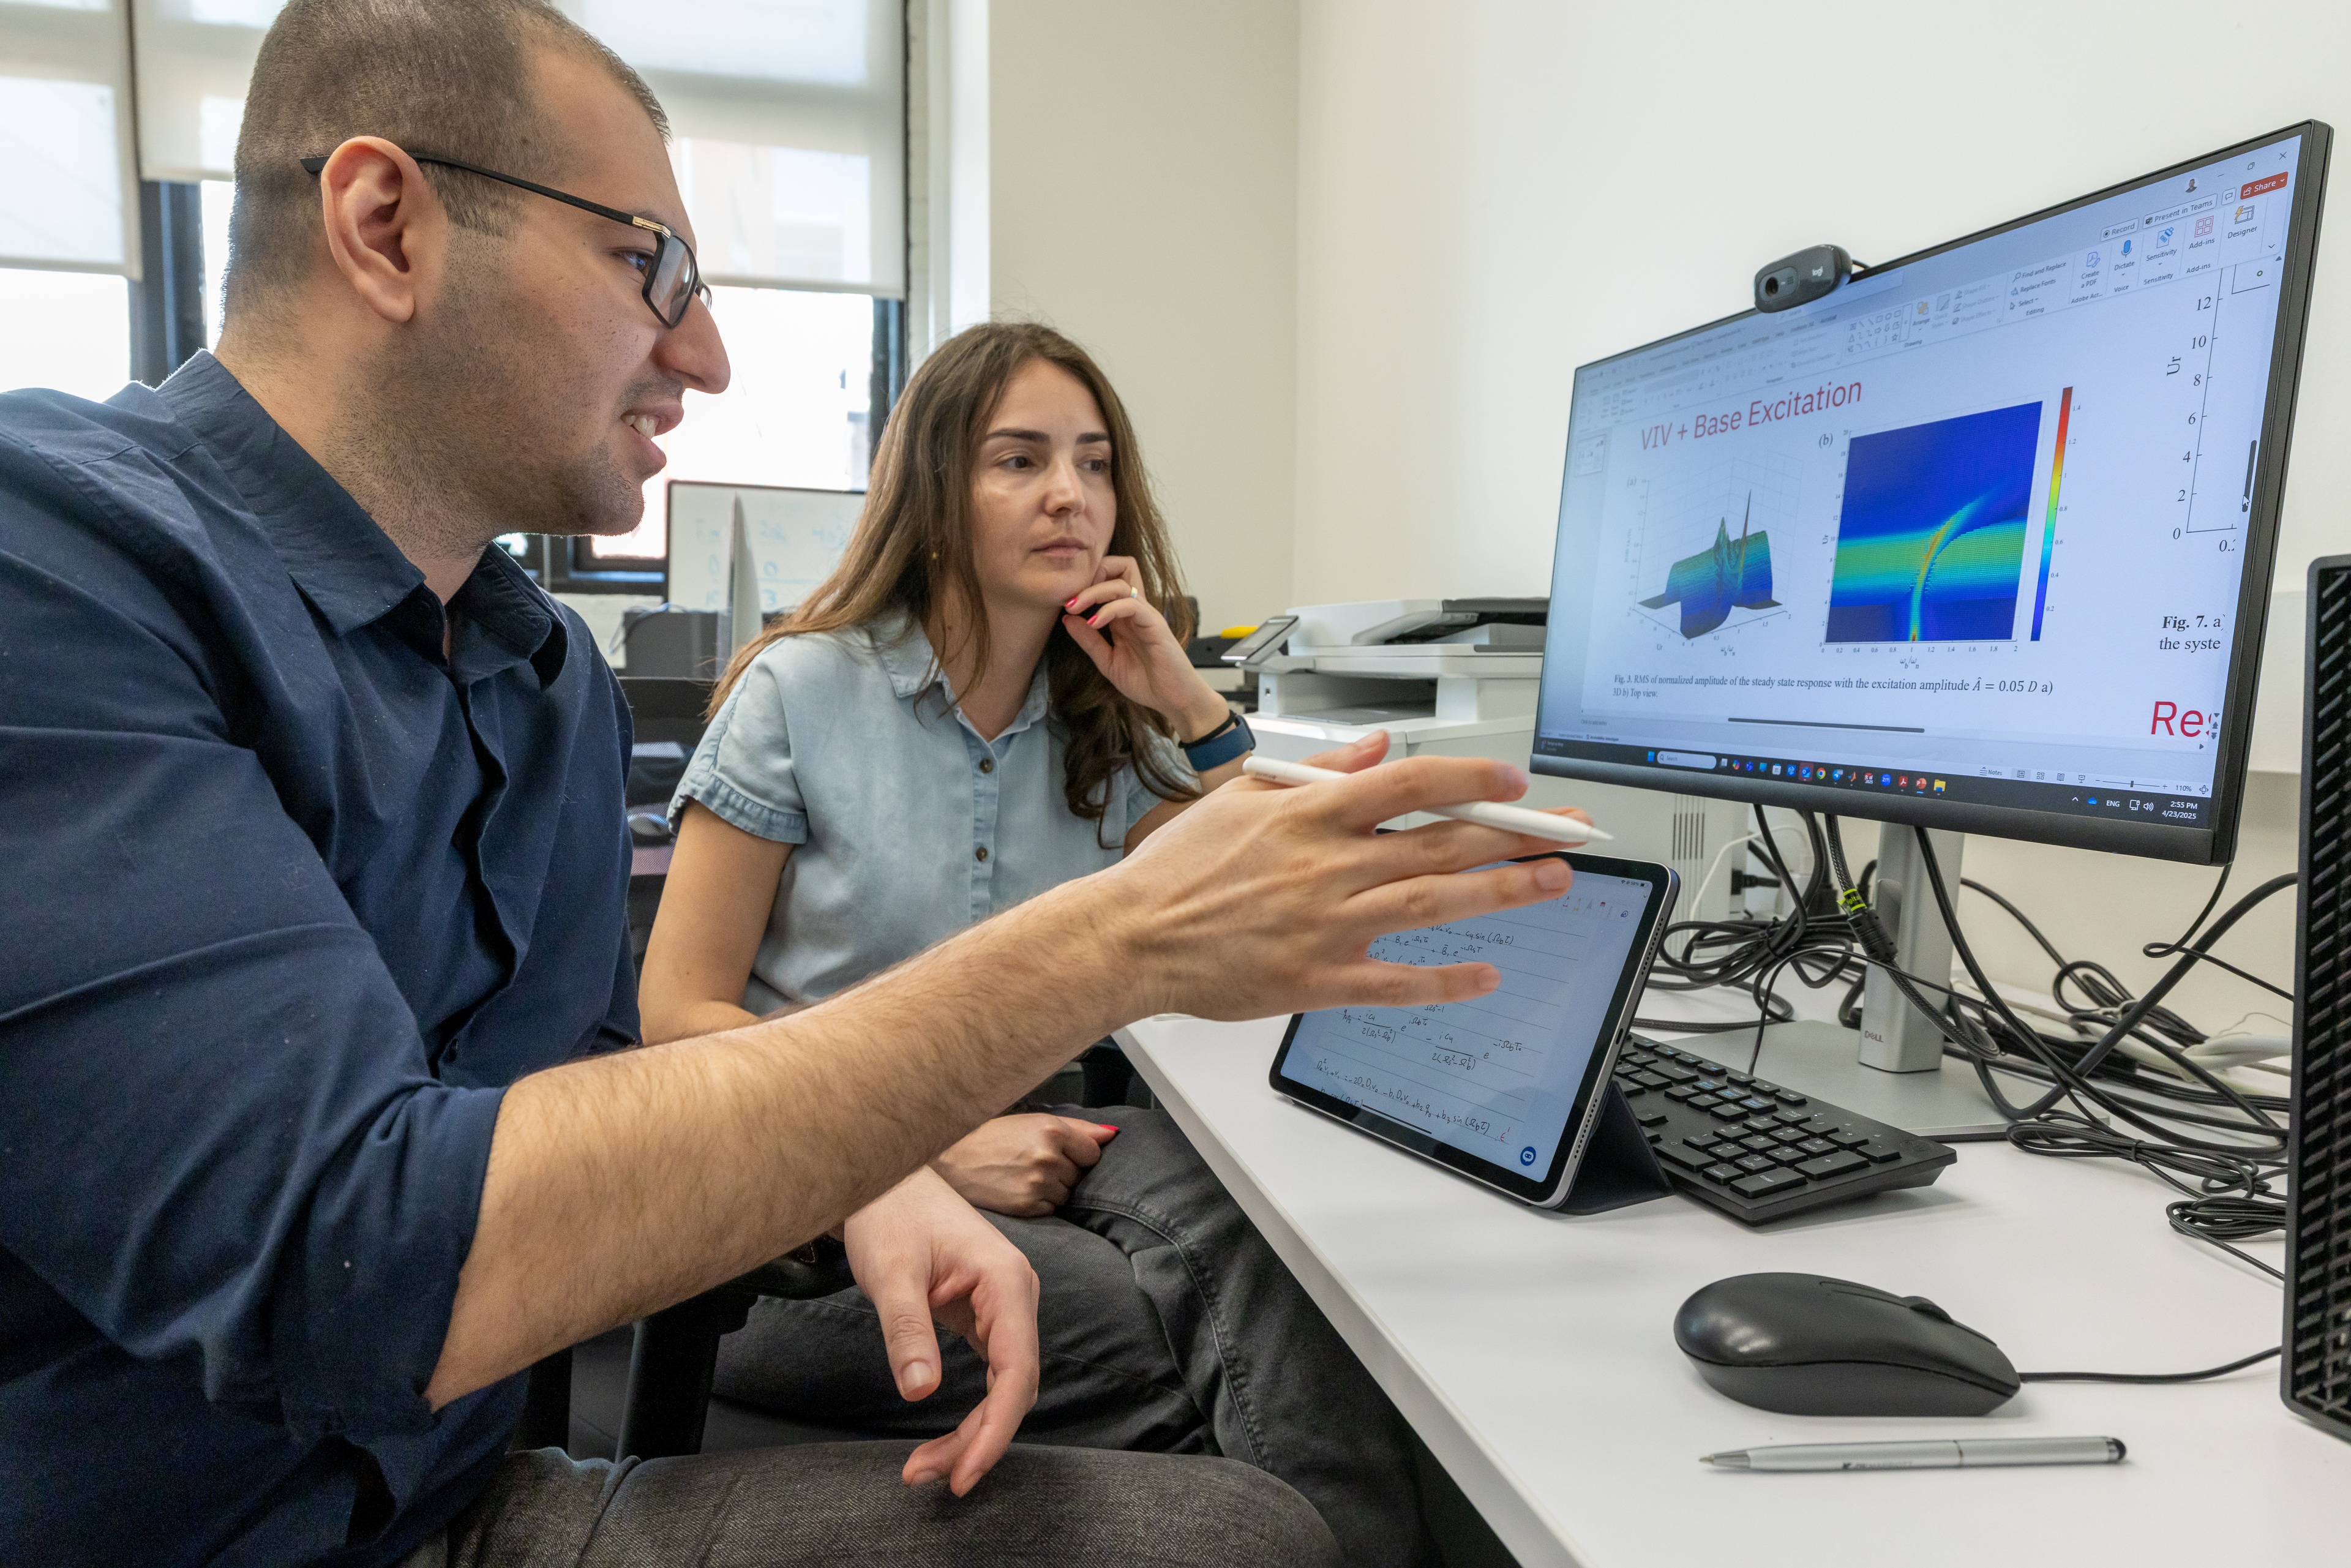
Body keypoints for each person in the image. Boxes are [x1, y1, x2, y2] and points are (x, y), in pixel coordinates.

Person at [0, 2, 1580, 1566]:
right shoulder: (53, 564)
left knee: (1252, 1483)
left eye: (1093, 460)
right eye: (649, 266)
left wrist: (864, 1172)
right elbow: (348, 1272)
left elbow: (595, 1092)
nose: (706, 349)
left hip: (453, 1494)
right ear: (385, 223)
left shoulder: (534, 668)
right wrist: (1096, 954)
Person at [637, 320, 1445, 1566]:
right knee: (1238, 1373)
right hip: (813, 1210)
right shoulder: (798, 692)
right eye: (1019, 460)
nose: (1069, 493)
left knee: (1296, 1293)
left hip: (1075, 1147)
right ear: (937, 491)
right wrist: (927, 1141)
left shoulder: (1103, 718)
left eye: (1094, 462)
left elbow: (1277, 874)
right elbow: (678, 1014)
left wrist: (1186, 699)